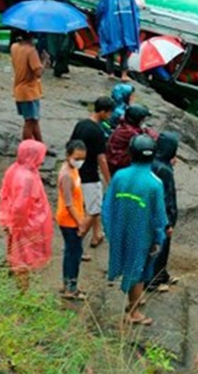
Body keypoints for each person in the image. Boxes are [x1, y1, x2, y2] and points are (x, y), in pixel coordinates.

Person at [104, 135, 167, 326]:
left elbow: (108, 206)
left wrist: (111, 232)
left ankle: (133, 301)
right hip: (142, 236)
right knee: (139, 271)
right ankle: (133, 312)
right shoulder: (155, 183)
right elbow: (159, 216)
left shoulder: (119, 176)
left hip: (120, 231)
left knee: (130, 267)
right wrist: (158, 238)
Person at [0, 140, 53, 292]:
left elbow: (6, 193)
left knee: (16, 253)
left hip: (14, 221)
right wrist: (16, 227)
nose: (42, 159)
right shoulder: (27, 178)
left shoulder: (15, 169)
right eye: (40, 156)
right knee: (23, 259)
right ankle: (22, 295)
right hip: (25, 225)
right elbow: (21, 206)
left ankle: (18, 286)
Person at [70, 96, 115, 250]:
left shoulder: (80, 124)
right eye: (109, 113)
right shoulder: (98, 132)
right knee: (94, 209)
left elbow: (71, 146)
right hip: (90, 176)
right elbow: (101, 159)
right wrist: (109, 180)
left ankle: (97, 234)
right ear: (102, 112)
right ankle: (77, 240)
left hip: (76, 172)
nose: (109, 116)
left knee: (90, 204)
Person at [56, 139, 88, 300]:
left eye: (82, 158)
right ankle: (71, 288)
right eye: (77, 158)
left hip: (73, 217)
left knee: (71, 251)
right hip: (69, 220)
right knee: (74, 253)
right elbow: (68, 203)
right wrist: (81, 223)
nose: (80, 161)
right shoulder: (66, 175)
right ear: (68, 155)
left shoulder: (72, 169)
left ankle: (67, 284)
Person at [150, 131, 181, 293]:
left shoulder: (155, 162)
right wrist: (168, 223)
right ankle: (153, 281)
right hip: (162, 217)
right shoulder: (163, 170)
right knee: (159, 248)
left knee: (162, 248)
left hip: (155, 215)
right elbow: (165, 198)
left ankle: (162, 275)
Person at [96, 0, 139, 82]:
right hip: (126, 28)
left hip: (112, 27)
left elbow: (100, 9)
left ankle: (110, 73)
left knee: (110, 51)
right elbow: (135, 12)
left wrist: (99, 23)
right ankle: (124, 74)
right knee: (124, 52)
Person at [10, 29, 44, 142]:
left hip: (19, 90)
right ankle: (27, 148)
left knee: (34, 120)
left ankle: (41, 145)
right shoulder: (31, 51)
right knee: (30, 122)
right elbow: (38, 73)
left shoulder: (14, 47)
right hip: (30, 92)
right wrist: (44, 61)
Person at [106, 104, 155, 175]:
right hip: (117, 163)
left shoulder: (125, 124)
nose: (144, 121)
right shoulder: (130, 132)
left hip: (114, 160)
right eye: (142, 119)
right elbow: (148, 138)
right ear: (136, 119)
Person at [46, 0, 74, 78]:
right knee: (64, 47)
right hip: (62, 23)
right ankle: (60, 70)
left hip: (54, 22)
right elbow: (70, 5)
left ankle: (60, 67)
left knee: (57, 45)